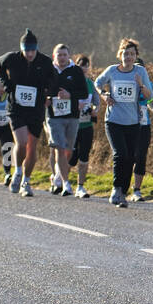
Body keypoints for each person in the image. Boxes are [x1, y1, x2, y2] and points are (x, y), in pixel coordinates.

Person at [0, 29, 64, 198]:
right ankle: (18, 171)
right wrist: (6, 83)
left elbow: (54, 79)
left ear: (37, 49)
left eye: (33, 50)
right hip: (16, 107)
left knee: (32, 146)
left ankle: (26, 181)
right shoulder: (11, 58)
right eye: (27, 50)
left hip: (36, 108)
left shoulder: (45, 61)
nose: (30, 54)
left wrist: (47, 92)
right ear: (21, 48)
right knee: (22, 141)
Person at [96, 39, 153, 208]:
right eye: (125, 53)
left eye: (132, 54)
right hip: (113, 120)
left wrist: (141, 85)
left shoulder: (140, 71)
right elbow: (97, 83)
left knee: (131, 158)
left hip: (133, 122)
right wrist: (104, 95)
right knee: (120, 154)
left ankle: (123, 191)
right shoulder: (112, 71)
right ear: (119, 54)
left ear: (136, 56)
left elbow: (149, 95)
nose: (128, 57)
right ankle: (116, 188)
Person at [47, 44, 88, 197]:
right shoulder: (48, 70)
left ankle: (57, 176)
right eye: (59, 55)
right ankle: (66, 183)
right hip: (54, 116)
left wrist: (70, 95)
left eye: (64, 55)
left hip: (72, 116)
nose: (62, 58)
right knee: (59, 147)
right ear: (54, 56)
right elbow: (42, 89)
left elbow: (83, 92)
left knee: (68, 150)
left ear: (69, 56)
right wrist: (46, 98)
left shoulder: (76, 71)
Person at [131, 45, 153, 203]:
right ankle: (122, 186)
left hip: (143, 125)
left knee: (141, 157)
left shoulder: (148, 85)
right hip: (127, 124)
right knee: (128, 156)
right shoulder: (124, 82)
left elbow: (150, 102)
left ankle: (137, 190)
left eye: (141, 71)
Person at [69, 54, 98, 198]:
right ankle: (62, 180)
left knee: (84, 156)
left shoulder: (90, 84)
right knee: (71, 158)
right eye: (81, 65)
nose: (83, 68)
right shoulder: (71, 82)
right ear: (76, 66)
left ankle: (80, 187)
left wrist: (94, 110)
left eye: (86, 65)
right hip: (72, 125)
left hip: (86, 125)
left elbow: (97, 103)